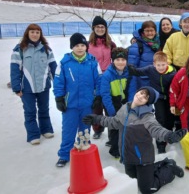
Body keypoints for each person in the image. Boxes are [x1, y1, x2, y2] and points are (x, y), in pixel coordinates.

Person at [82, 86, 187, 194]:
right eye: (141, 93)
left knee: (147, 189)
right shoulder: (125, 108)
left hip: (143, 159)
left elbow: (157, 130)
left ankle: (170, 168)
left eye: (146, 97)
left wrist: (169, 135)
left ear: (148, 102)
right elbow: (114, 122)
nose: (141, 96)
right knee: (133, 181)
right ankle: (161, 164)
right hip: (128, 157)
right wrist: (97, 119)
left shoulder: (147, 117)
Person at [53, 33, 101, 167]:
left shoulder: (92, 62)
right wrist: (59, 98)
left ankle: (84, 152)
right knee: (69, 130)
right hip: (70, 104)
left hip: (87, 103)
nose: (80, 48)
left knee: (85, 130)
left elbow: (99, 80)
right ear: (71, 47)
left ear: (86, 47)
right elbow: (58, 81)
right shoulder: (64, 63)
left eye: (82, 45)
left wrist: (98, 96)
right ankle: (64, 154)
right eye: (76, 45)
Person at [10, 24, 57, 145]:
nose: (35, 34)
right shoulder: (20, 49)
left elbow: (53, 68)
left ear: (40, 34)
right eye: (32, 32)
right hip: (27, 88)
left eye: (37, 32)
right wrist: (16, 87)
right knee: (30, 111)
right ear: (27, 33)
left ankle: (46, 129)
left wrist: (57, 83)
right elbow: (15, 69)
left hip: (43, 86)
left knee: (44, 109)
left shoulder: (46, 49)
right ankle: (33, 134)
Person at [128, 51, 177, 153]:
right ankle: (160, 144)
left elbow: (178, 85)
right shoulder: (150, 69)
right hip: (158, 98)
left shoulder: (173, 73)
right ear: (154, 64)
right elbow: (137, 72)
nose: (160, 67)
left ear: (167, 63)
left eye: (163, 65)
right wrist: (128, 65)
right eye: (158, 65)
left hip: (170, 98)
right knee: (160, 119)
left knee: (170, 120)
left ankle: (168, 135)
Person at [100, 47, 133, 158]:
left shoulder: (129, 73)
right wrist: (111, 111)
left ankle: (125, 146)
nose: (120, 62)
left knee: (126, 125)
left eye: (123, 60)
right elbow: (105, 94)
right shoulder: (107, 75)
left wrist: (130, 105)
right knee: (114, 126)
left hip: (125, 103)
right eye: (117, 59)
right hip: (112, 103)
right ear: (112, 60)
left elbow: (132, 90)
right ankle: (115, 150)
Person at [88, 15, 116, 139]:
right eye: (98, 27)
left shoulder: (110, 44)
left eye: (102, 27)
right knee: (96, 106)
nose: (100, 29)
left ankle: (112, 131)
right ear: (94, 28)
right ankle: (97, 129)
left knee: (109, 105)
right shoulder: (88, 45)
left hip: (108, 77)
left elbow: (117, 58)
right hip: (94, 78)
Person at [128, 20, 160, 95]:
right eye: (147, 31)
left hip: (156, 83)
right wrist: (133, 93)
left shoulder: (158, 44)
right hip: (142, 85)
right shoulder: (137, 46)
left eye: (152, 30)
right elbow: (132, 71)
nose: (149, 33)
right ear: (143, 32)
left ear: (155, 31)